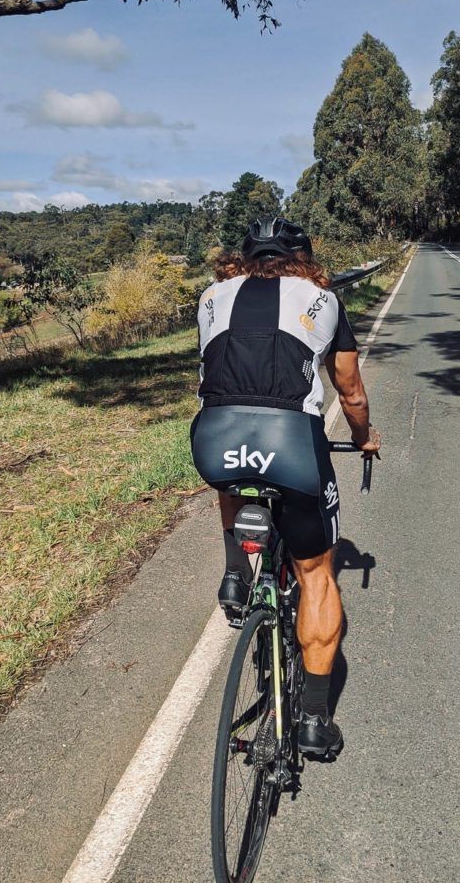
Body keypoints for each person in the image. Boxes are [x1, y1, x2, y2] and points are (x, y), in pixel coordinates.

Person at [190, 216, 380, 755]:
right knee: (317, 574)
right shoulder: (323, 299)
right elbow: (352, 394)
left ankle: (235, 573)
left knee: (236, 465)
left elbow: (215, 372)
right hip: (291, 445)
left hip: (212, 440)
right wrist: (363, 439)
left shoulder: (210, 297)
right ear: (303, 257)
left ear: (245, 258)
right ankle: (315, 722)